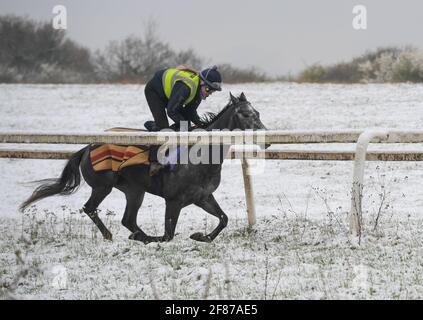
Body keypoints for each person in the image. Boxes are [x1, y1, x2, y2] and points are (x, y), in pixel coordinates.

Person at [144, 65, 223, 175]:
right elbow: (172, 111)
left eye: (212, 92)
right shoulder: (187, 87)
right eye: (208, 90)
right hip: (155, 91)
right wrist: (187, 127)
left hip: (170, 94)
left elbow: (190, 112)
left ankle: (157, 128)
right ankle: (154, 161)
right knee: (164, 128)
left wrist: (202, 125)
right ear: (202, 83)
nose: (208, 94)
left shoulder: (198, 92)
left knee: (184, 124)